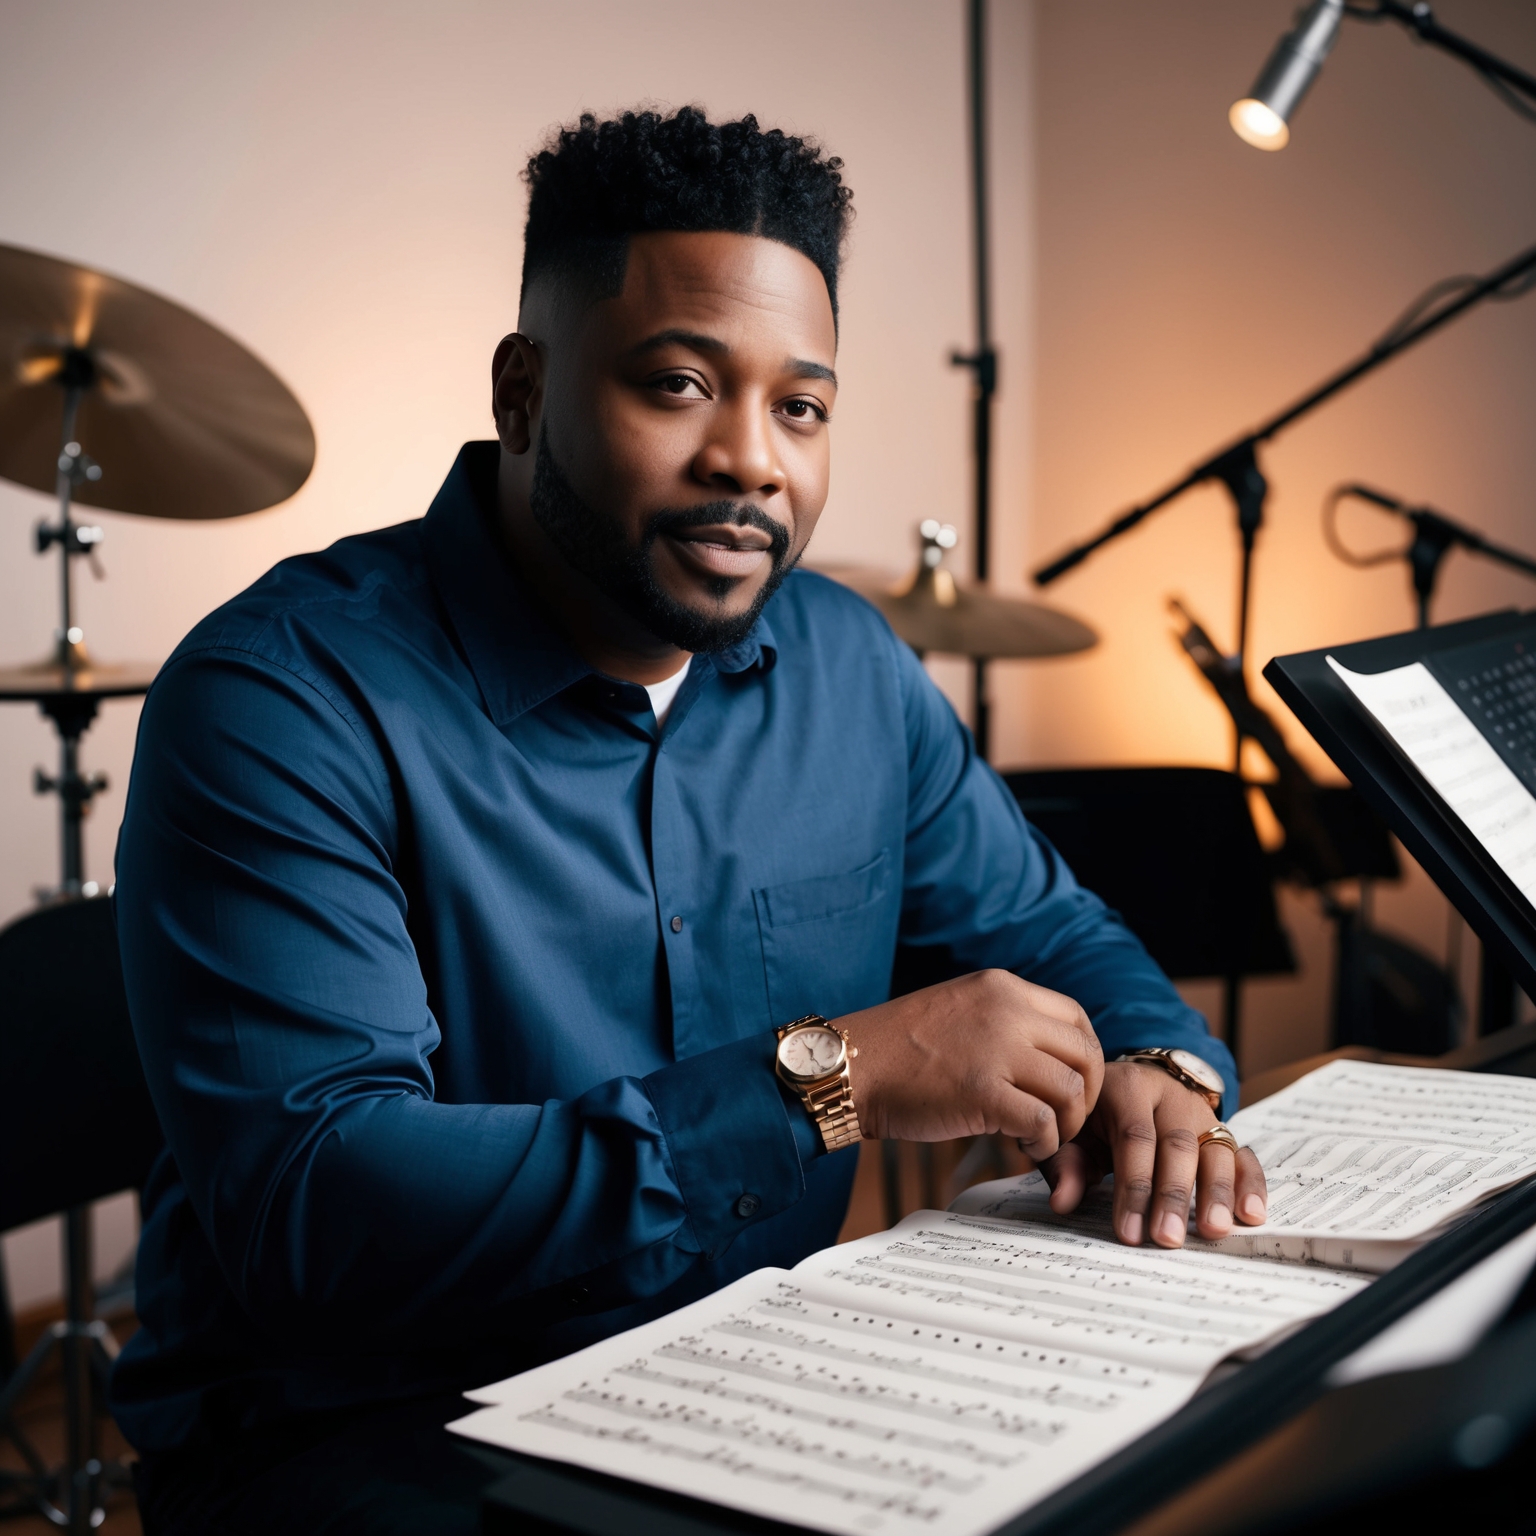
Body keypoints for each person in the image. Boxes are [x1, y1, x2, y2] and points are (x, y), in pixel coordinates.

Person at [111, 106, 1266, 1532]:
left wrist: (1161, 1067)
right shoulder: (284, 699)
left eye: (801, 406)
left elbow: (1045, 928)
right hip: (379, 1442)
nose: (751, 461)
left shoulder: (849, 664)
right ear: (523, 393)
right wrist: (823, 1080)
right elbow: (319, 1206)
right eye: (677, 385)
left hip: (754, 1384)